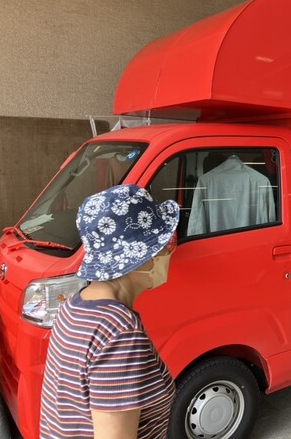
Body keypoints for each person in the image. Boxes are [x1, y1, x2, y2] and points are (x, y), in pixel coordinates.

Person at [40, 184, 180, 439]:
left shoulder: (72, 307)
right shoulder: (119, 334)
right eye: (163, 245)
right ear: (141, 256)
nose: (168, 252)